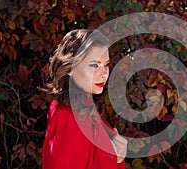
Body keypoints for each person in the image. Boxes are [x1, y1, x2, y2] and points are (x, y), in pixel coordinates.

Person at [42, 29, 127, 169]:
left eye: (105, 64)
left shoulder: (85, 108)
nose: (104, 74)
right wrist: (115, 156)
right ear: (70, 68)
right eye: (94, 65)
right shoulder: (68, 117)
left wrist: (117, 156)